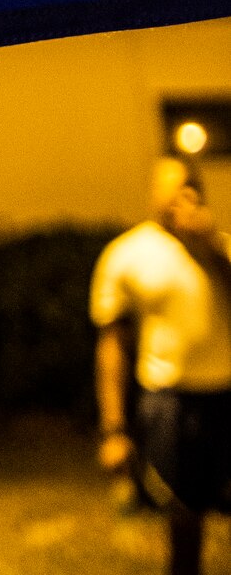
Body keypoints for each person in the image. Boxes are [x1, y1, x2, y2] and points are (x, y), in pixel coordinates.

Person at [91, 157, 231, 575]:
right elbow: (112, 344)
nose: (179, 195)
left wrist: (210, 247)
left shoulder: (221, 246)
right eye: (169, 185)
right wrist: (114, 427)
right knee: (181, 512)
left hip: (225, 393)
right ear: (153, 191)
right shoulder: (128, 254)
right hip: (169, 401)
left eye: (188, 185)